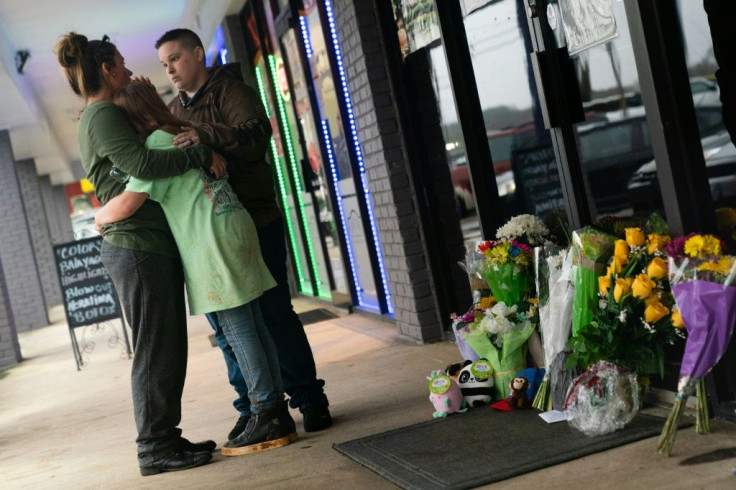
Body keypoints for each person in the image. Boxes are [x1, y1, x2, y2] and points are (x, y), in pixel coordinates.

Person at [94, 80, 298, 457]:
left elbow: (127, 203)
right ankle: (273, 409)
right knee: (254, 322)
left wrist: (100, 216)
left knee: (238, 330)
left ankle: (265, 410)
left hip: (210, 242)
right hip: (235, 225)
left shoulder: (155, 145)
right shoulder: (183, 132)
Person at [55, 32, 226, 476]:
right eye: (123, 64)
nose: (130, 71)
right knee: (156, 349)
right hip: (135, 247)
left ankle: (165, 437)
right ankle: (154, 448)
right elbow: (144, 167)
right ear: (108, 70)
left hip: (144, 244)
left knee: (166, 347)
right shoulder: (102, 115)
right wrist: (198, 155)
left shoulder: (106, 114)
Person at [155, 28, 332, 438]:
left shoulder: (230, 90)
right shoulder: (172, 111)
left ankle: (310, 399)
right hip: (212, 231)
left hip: (256, 219)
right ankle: (252, 407)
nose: (171, 70)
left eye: (176, 59)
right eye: (165, 65)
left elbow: (257, 135)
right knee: (230, 325)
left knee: (274, 314)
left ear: (198, 54)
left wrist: (206, 136)